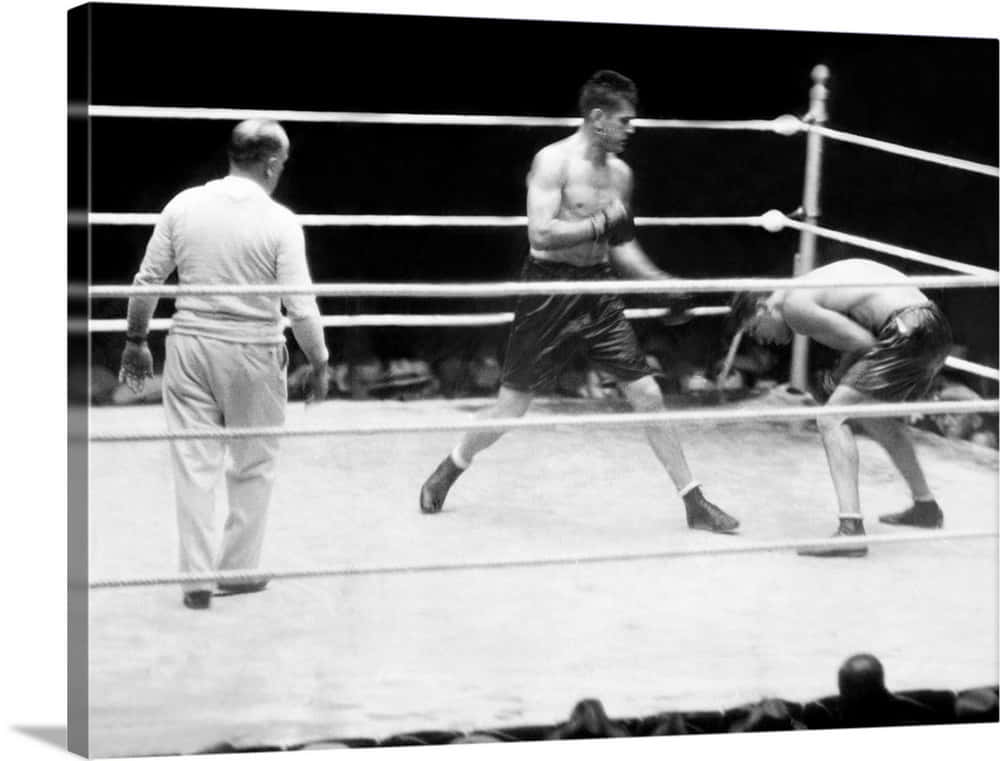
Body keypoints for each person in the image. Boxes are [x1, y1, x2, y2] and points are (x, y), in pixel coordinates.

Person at [418, 70, 739, 534]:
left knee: (648, 394)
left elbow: (621, 244)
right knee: (512, 407)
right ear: (598, 117)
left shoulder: (621, 175)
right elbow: (541, 234)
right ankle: (451, 466)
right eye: (624, 121)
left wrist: (659, 282)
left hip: (598, 291)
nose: (631, 130)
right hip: (547, 290)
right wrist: (599, 223)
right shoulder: (553, 162)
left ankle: (695, 503)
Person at [118, 119, 331, 609]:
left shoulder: (183, 205)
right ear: (271, 164)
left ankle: (196, 578)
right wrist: (319, 361)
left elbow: (147, 280)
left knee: (193, 463)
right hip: (253, 350)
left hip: (191, 346)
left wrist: (135, 339)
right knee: (254, 464)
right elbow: (300, 307)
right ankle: (236, 571)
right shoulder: (279, 222)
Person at [729, 258, 953, 557]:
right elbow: (863, 343)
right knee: (875, 418)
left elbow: (862, 343)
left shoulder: (794, 305)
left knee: (831, 418)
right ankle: (926, 507)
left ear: (762, 307)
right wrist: (841, 378)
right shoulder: (807, 287)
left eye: (756, 330)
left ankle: (851, 531)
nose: (763, 340)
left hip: (907, 329)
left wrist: (838, 378)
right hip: (932, 327)